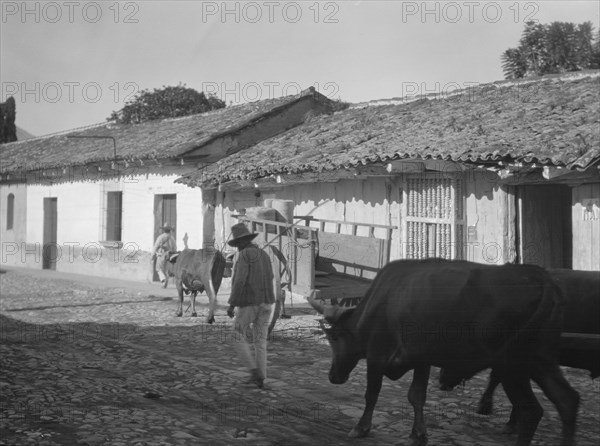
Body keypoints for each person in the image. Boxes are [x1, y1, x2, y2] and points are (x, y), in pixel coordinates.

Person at [226, 222, 276, 389]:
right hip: (267, 302)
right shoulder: (264, 254)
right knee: (260, 341)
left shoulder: (244, 255)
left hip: (250, 303)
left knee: (236, 334)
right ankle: (261, 377)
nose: (237, 248)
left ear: (241, 242)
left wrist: (232, 304)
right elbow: (271, 277)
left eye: (237, 244)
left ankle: (254, 371)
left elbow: (239, 281)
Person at [152, 223, 177, 288]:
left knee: (159, 269)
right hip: (169, 255)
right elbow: (175, 248)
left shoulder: (161, 237)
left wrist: (153, 254)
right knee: (166, 270)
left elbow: (156, 246)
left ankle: (163, 280)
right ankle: (164, 284)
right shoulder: (172, 238)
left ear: (164, 230)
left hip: (161, 255)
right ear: (169, 230)